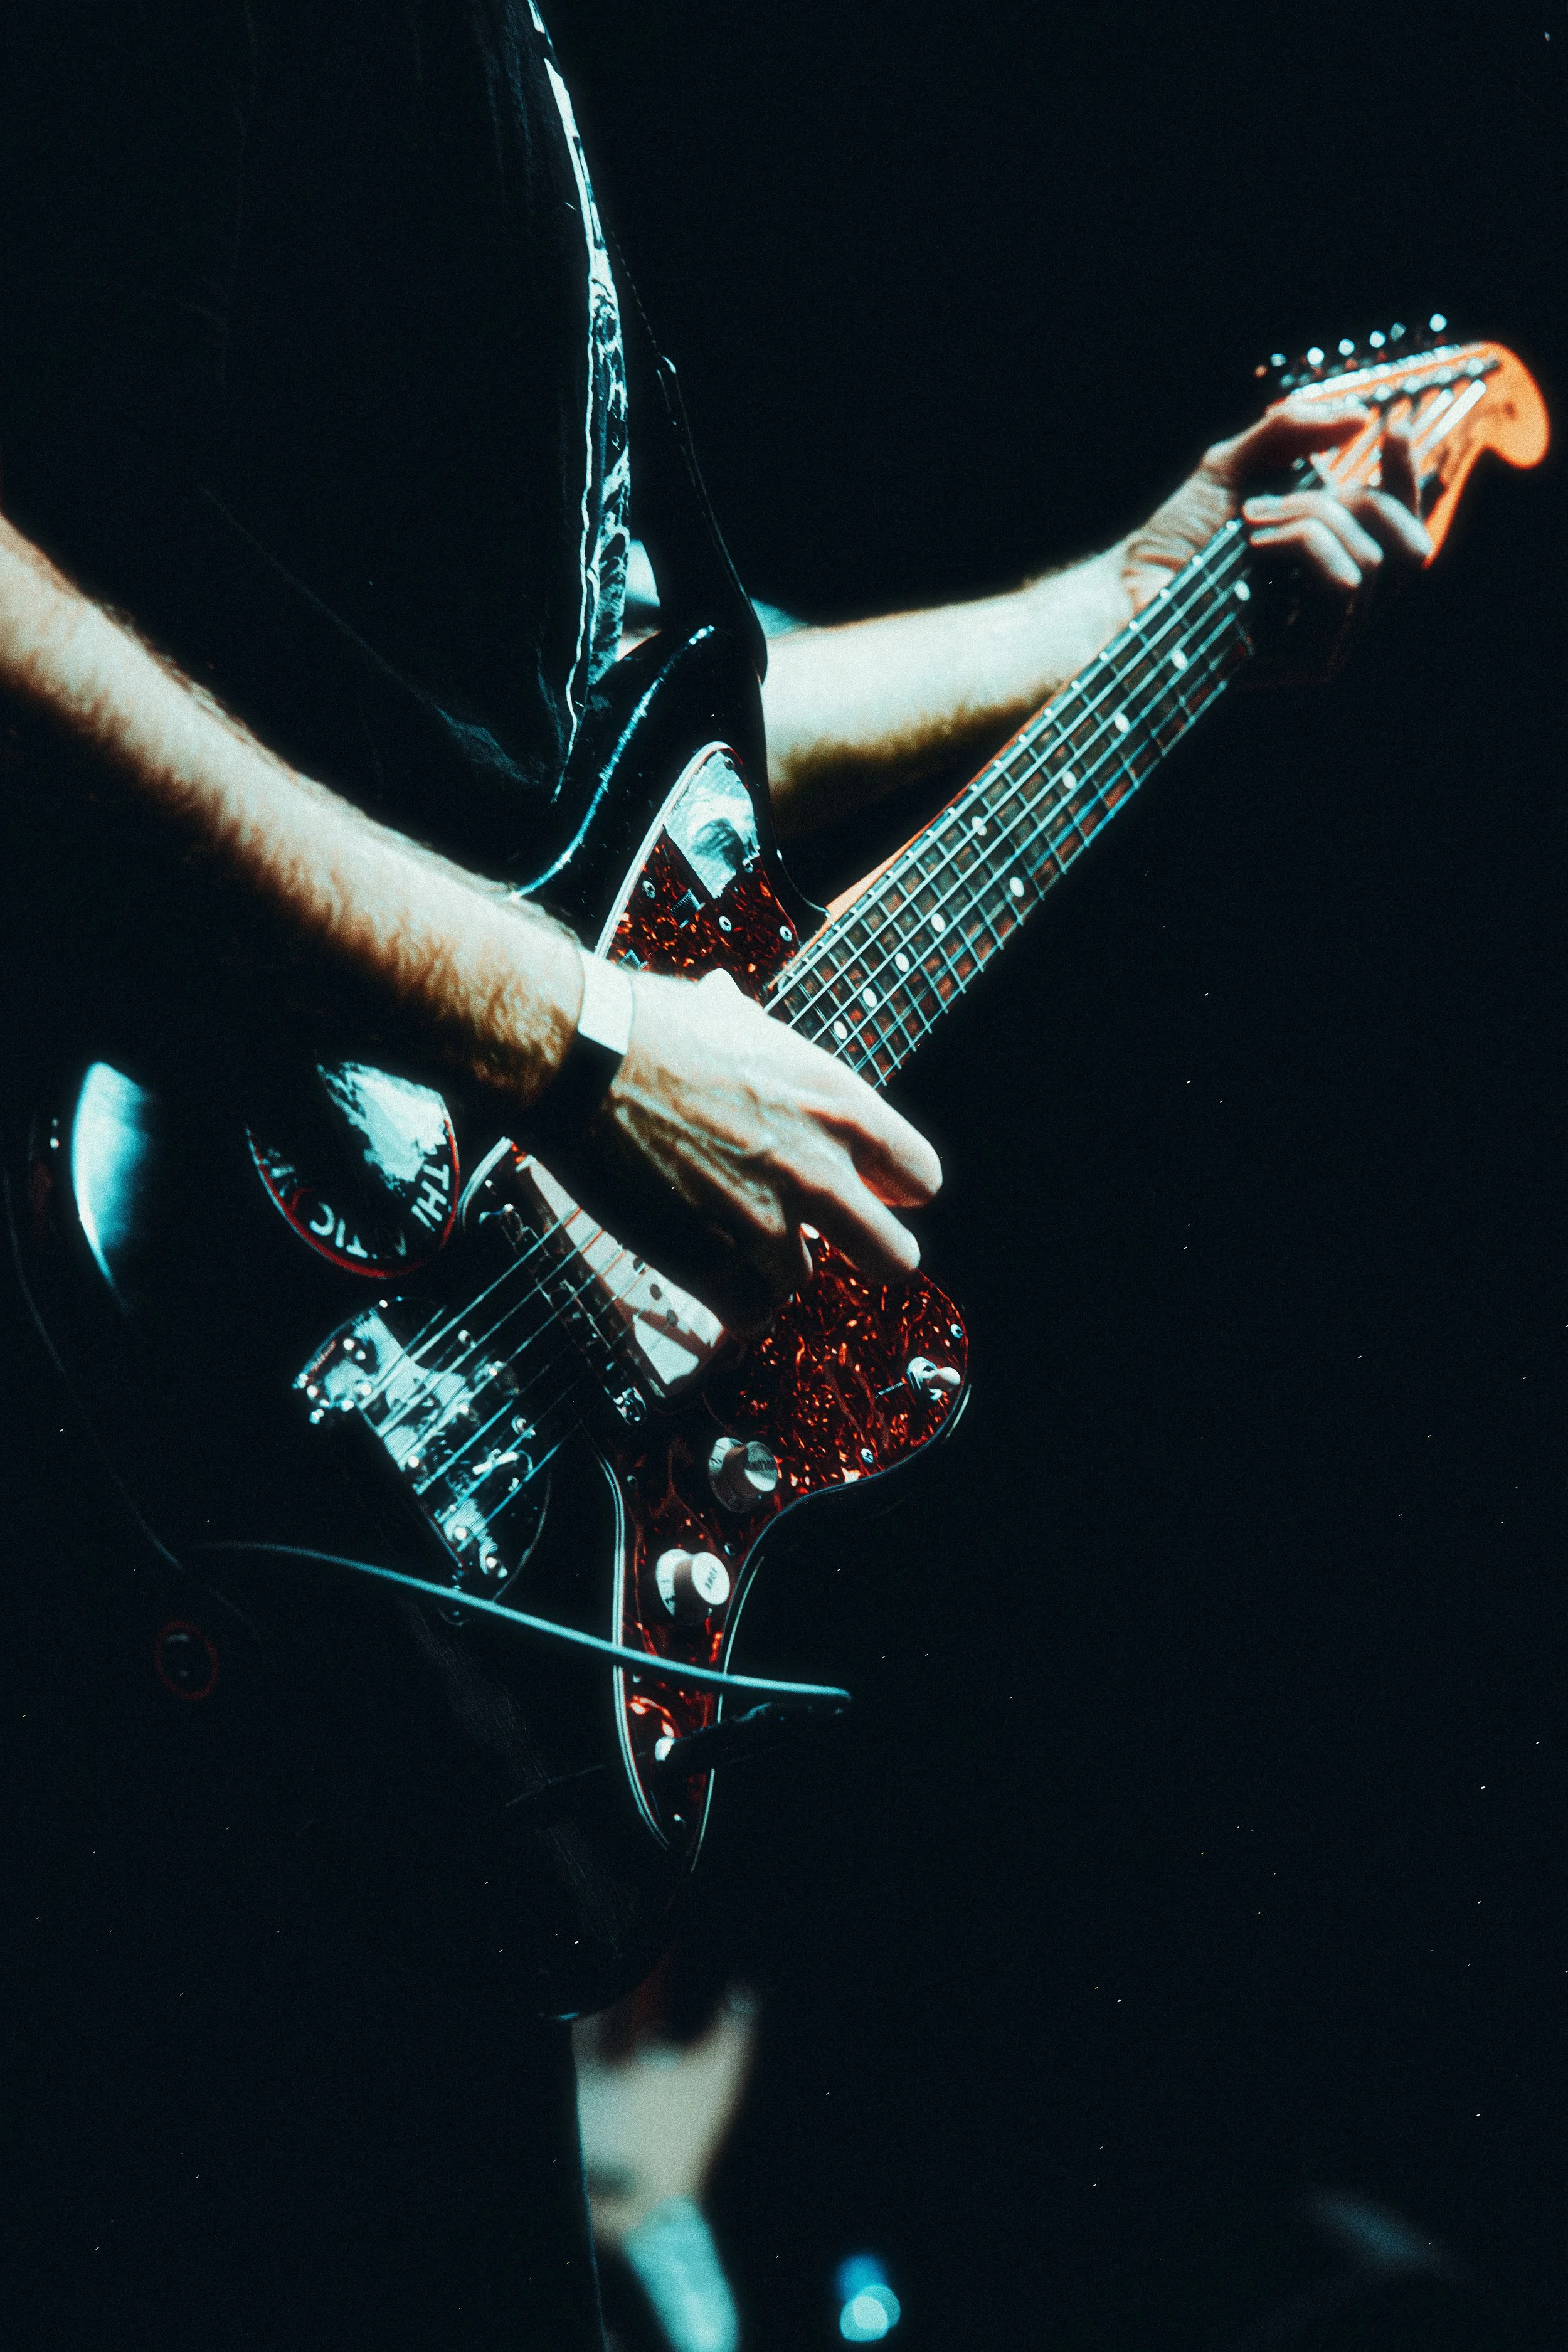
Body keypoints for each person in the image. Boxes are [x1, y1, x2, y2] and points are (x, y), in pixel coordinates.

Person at [0, 4, 1431, 2344]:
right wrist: (562, 1038)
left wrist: (1141, 599)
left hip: (383, 1582)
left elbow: (656, 717)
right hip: (138, 1373)